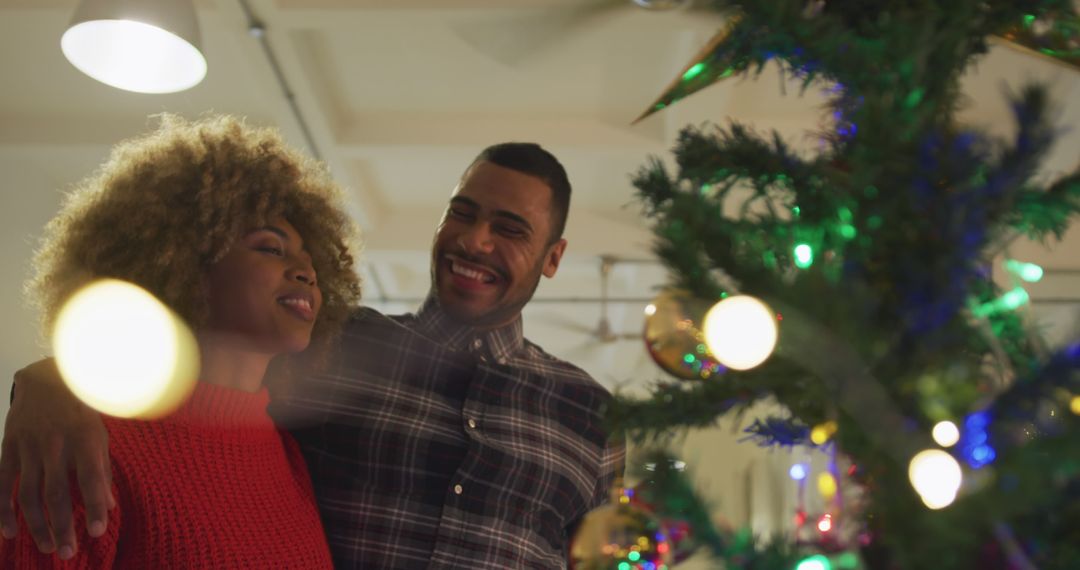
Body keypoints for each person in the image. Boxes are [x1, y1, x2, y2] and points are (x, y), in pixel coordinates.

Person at [2, 142, 624, 569]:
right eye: (461, 213)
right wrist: (51, 380)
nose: (475, 239)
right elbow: (193, 364)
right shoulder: (335, 347)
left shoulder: (592, 418)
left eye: (511, 228)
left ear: (553, 257)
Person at [0, 114, 362, 568]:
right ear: (184, 263)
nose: (306, 273)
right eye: (271, 248)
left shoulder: (288, 453)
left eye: (311, 262)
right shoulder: (86, 445)